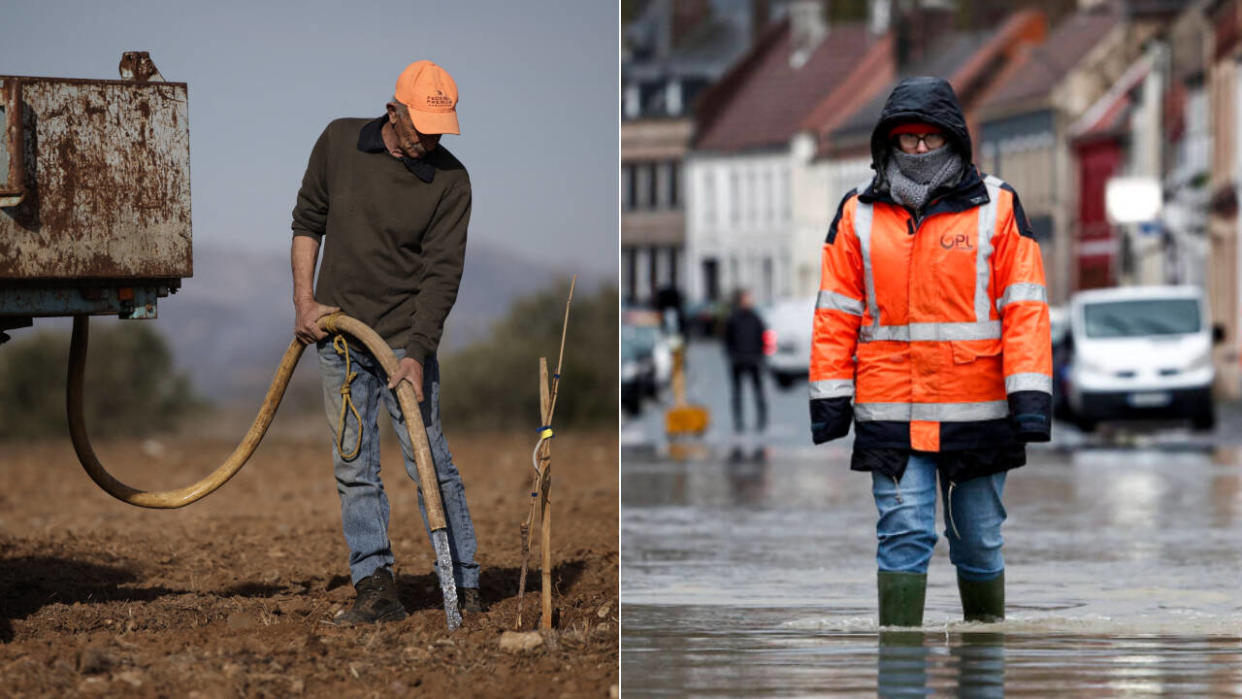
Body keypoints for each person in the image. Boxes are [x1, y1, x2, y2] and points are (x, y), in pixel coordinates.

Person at [809, 77, 1051, 627]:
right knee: (903, 533)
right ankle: (898, 671)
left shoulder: (999, 206)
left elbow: (1026, 310)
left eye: (930, 139)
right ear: (888, 143)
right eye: (907, 138)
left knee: (979, 541)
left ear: (953, 140)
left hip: (980, 411)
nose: (918, 149)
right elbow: (834, 315)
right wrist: (829, 400)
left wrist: (1031, 398)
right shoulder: (857, 215)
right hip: (891, 411)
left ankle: (983, 665)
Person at [290, 60, 481, 625]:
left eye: (439, 126)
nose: (430, 137)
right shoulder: (339, 140)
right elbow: (307, 221)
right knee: (354, 465)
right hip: (341, 336)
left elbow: (443, 275)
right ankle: (375, 589)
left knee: (433, 462)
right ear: (392, 111)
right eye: (421, 124)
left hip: (403, 342)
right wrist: (304, 302)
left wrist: (417, 353)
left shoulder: (451, 181)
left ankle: (464, 585)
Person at [724, 289, 768, 443]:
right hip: (738, 360)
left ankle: (761, 420)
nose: (748, 302)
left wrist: (760, 356)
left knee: (758, 392)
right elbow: (727, 339)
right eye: (745, 299)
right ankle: (738, 421)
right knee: (737, 393)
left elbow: (763, 337)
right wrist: (732, 356)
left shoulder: (756, 318)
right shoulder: (733, 318)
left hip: (753, 360)